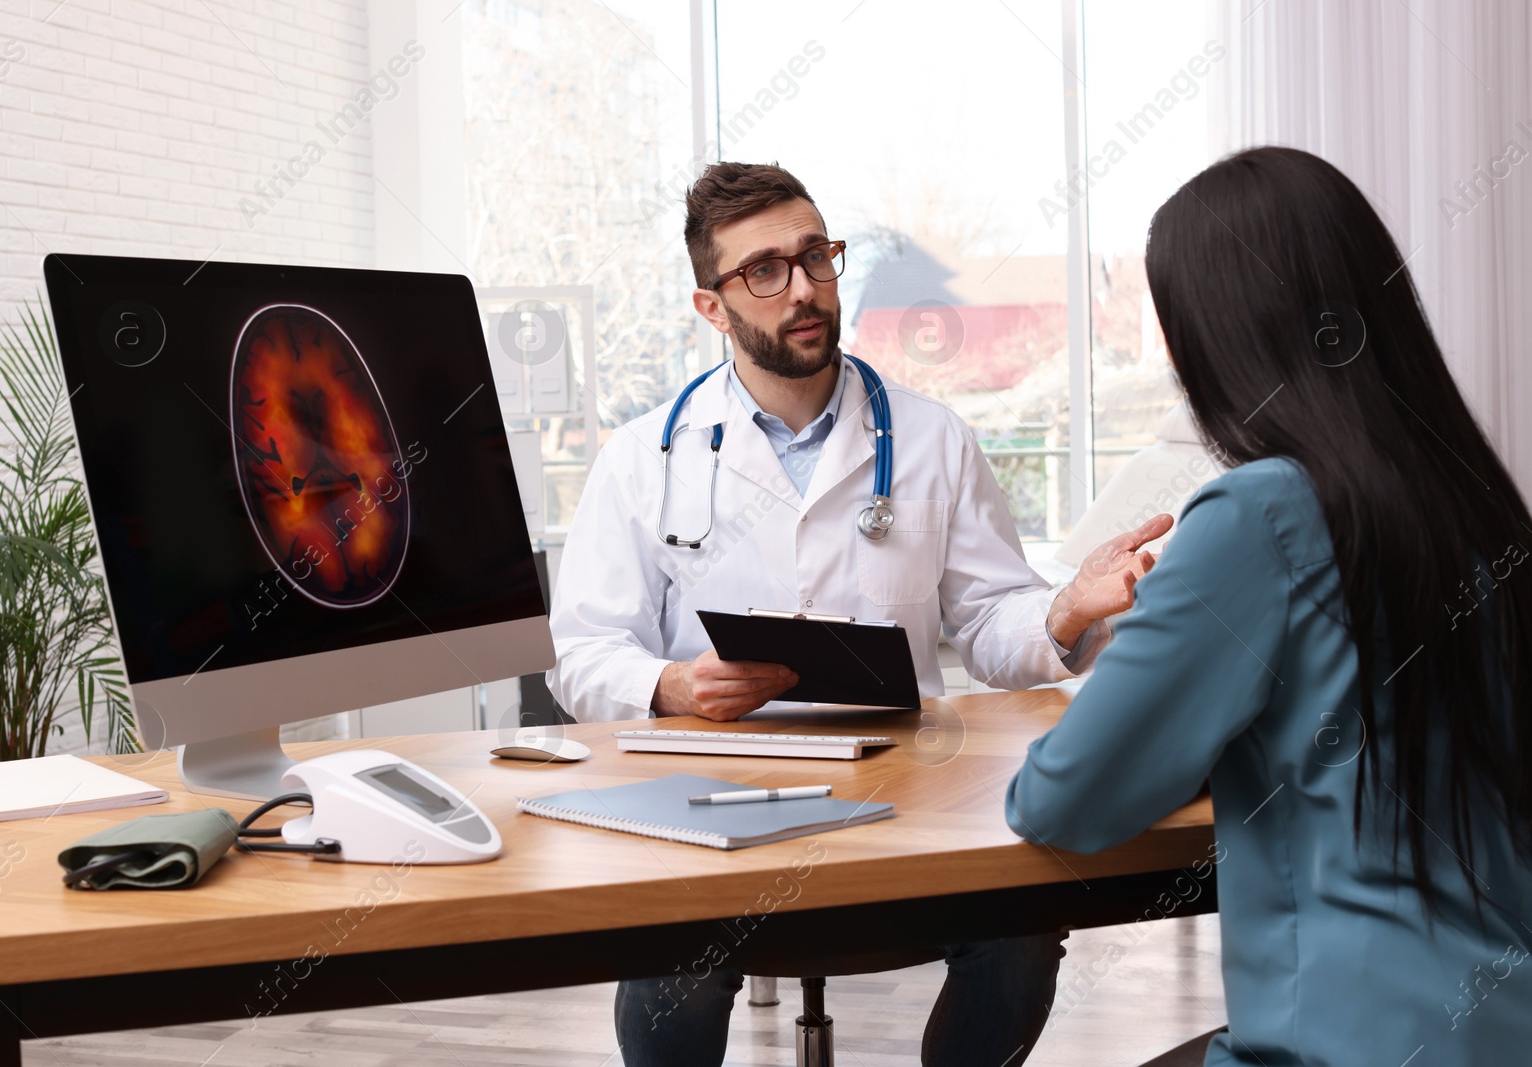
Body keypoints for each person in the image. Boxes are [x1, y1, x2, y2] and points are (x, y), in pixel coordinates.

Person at [547, 162, 1170, 1066]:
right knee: (667, 962)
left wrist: (1065, 610)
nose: (802, 288)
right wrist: (670, 683)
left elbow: (992, 621)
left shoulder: (930, 438)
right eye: (764, 270)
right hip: (714, 802)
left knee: (1021, 935)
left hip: (905, 794)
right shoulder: (643, 457)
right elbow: (582, 653)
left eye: (816, 257)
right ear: (710, 306)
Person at [1006, 145, 1532, 1066]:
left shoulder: (1258, 512)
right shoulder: (1479, 496)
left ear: (1220, 338)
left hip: (1354, 1039)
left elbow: (1064, 799)